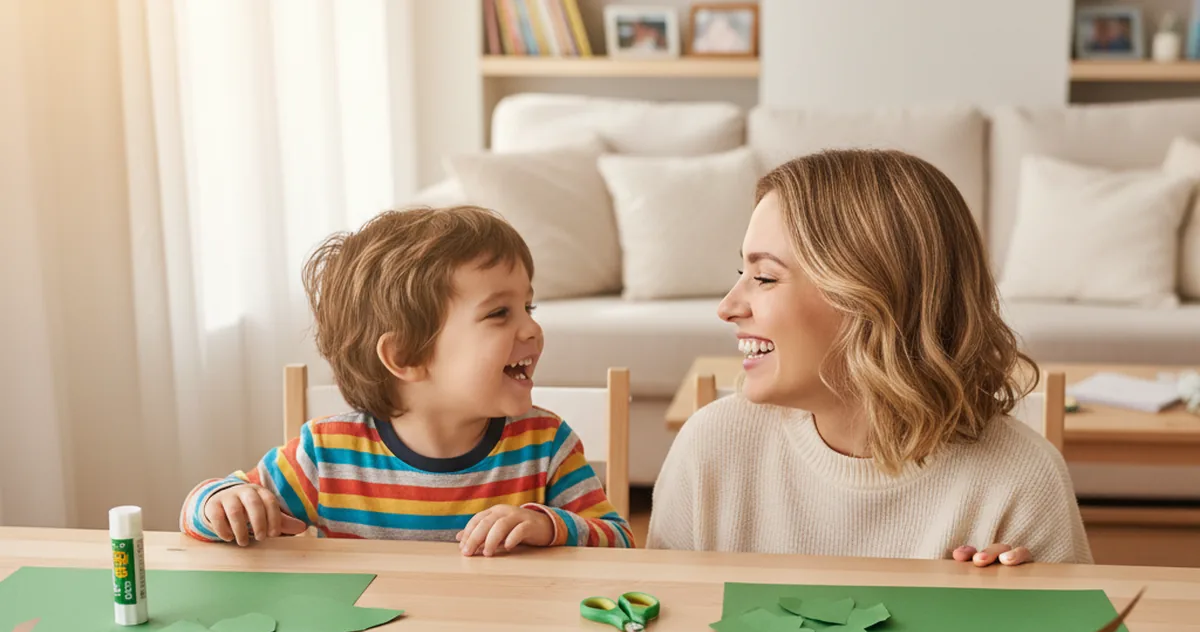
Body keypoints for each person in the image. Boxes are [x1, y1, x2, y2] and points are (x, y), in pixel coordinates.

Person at [648, 149, 1091, 565]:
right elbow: (658, 626)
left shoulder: (1023, 479)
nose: (728, 307)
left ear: (873, 299)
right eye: (743, 272)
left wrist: (1016, 612)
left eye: (764, 277)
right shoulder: (712, 447)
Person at [180, 206, 633, 555]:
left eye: (528, 308)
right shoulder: (326, 453)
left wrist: (549, 526)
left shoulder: (546, 444)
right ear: (406, 356)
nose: (532, 329)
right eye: (500, 313)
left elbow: (620, 544)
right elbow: (199, 512)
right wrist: (224, 500)